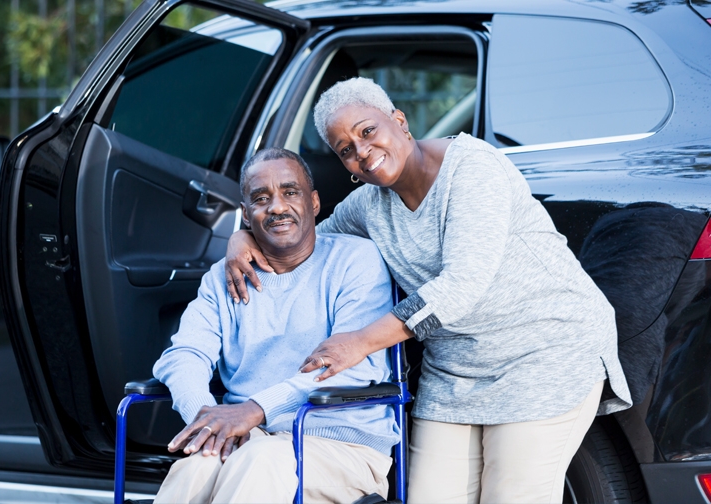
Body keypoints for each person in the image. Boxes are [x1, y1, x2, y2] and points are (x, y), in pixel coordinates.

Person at [224, 77, 633, 504]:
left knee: (512, 496)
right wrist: (245, 238)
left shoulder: (472, 168)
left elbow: (460, 287)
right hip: (455, 370)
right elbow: (307, 242)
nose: (361, 152)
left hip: (543, 351)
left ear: (399, 121)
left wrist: (361, 342)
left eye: (367, 131)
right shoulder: (368, 205)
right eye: (345, 149)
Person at [152, 147, 400, 504]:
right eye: (261, 198)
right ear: (246, 216)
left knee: (258, 461)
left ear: (314, 202)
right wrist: (207, 423)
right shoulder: (221, 279)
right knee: (198, 467)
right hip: (255, 437)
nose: (278, 207)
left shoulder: (355, 261)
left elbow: (351, 368)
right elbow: (183, 355)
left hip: (342, 447)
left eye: (290, 192)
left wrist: (254, 409)